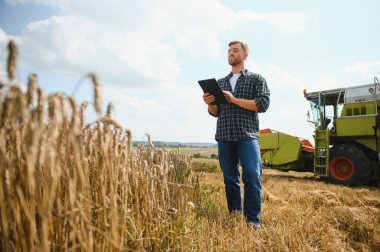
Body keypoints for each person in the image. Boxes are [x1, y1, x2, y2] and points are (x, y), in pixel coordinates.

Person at [202, 40, 270, 228]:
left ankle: (253, 221)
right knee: (230, 178)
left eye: (235, 50)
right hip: (224, 135)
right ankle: (234, 215)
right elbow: (215, 112)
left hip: (247, 136)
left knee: (252, 176)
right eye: (229, 51)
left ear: (245, 55)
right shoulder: (220, 82)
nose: (231, 53)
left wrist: (234, 100)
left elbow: (262, 105)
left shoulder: (256, 79)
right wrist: (209, 103)